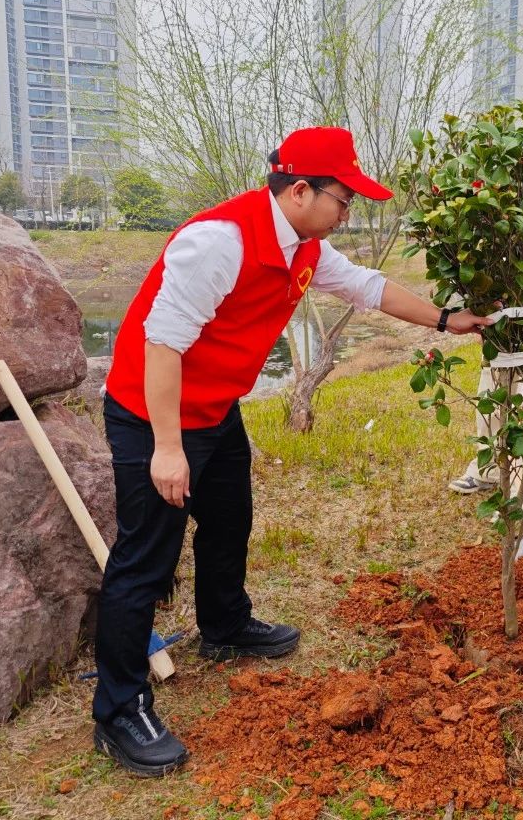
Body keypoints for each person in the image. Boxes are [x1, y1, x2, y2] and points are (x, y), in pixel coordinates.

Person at [92, 126, 490, 776]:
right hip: (151, 412)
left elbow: (370, 287)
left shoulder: (306, 245)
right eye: (343, 199)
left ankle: (223, 626)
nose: (348, 214)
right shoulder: (218, 243)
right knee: (144, 557)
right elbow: (161, 343)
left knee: (229, 520)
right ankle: (117, 712)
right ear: (300, 190)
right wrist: (166, 448)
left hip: (214, 409)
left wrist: (448, 320)